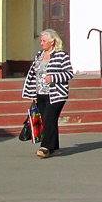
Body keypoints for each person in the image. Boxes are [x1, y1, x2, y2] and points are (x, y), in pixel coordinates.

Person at [21, 29, 74, 159]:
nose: (41, 43)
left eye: (44, 41)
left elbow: (69, 73)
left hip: (56, 94)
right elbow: (33, 73)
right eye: (41, 40)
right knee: (47, 120)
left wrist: (54, 78)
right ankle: (54, 147)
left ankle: (45, 147)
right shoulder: (39, 54)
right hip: (40, 92)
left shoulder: (61, 55)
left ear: (52, 41)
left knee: (50, 117)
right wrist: (32, 91)